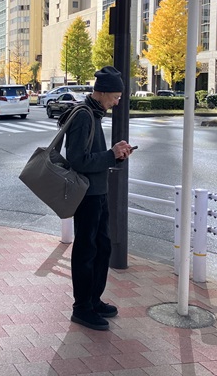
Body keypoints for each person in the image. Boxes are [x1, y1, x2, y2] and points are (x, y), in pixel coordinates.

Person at [60, 66, 133, 331]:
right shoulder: (84, 116)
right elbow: (78, 160)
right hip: (87, 195)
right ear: (101, 92)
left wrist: (115, 155)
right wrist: (111, 155)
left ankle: (93, 300)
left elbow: (93, 156)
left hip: (97, 192)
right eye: (115, 96)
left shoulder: (94, 113)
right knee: (87, 250)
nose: (117, 102)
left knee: (102, 247)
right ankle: (82, 308)